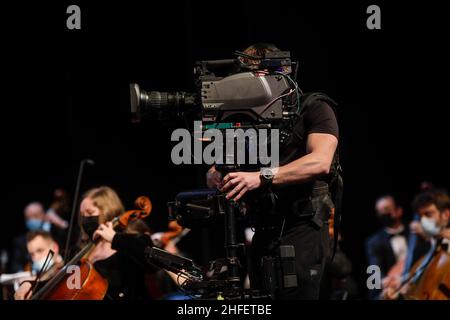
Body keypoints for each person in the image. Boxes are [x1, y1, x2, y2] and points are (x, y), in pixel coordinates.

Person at [207, 43, 340, 299]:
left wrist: (261, 176)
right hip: (263, 228)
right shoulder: (248, 116)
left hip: (302, 225)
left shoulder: (314, 107)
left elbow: (321, 161)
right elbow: (224, 157)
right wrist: (215, 172)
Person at [15, 186, 158, 300]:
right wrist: (30, 284)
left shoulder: (132, 241)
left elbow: (153, 263)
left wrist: (115, 239)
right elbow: (61, 285)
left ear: (108, 212)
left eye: (90, 213)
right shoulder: (80, 251)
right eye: (82, 215)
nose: (85, 219)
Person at [381, 188, 450, 299]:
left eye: (428, 214)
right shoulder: (428, 250)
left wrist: (442, 233)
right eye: (420, 216)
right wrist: (399, 285)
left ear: (446, 214)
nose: (423, 221)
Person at [366, 195, 430, 299]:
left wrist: (424, 234)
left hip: (420, 279)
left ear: (398, 211)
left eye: (386, 209)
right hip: (393, 285)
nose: (383, 214)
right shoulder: (373, 241)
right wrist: (382, 281)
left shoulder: (415, 230)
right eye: (379, 211)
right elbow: (374, 268)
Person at [10, 202, 66, 273]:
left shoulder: (58, 231)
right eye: (28, 218)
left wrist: (61, 223)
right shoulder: (20, 240)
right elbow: (16, 265)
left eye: (35, 216)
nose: (32, 220)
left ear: (44, 214)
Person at [14, 231, 64, 300]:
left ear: (55, 248)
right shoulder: (33, 271)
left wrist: (31, 283)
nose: (36, 258)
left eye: (40, 250)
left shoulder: (68, 265)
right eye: (32, 254)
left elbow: (50, 277)